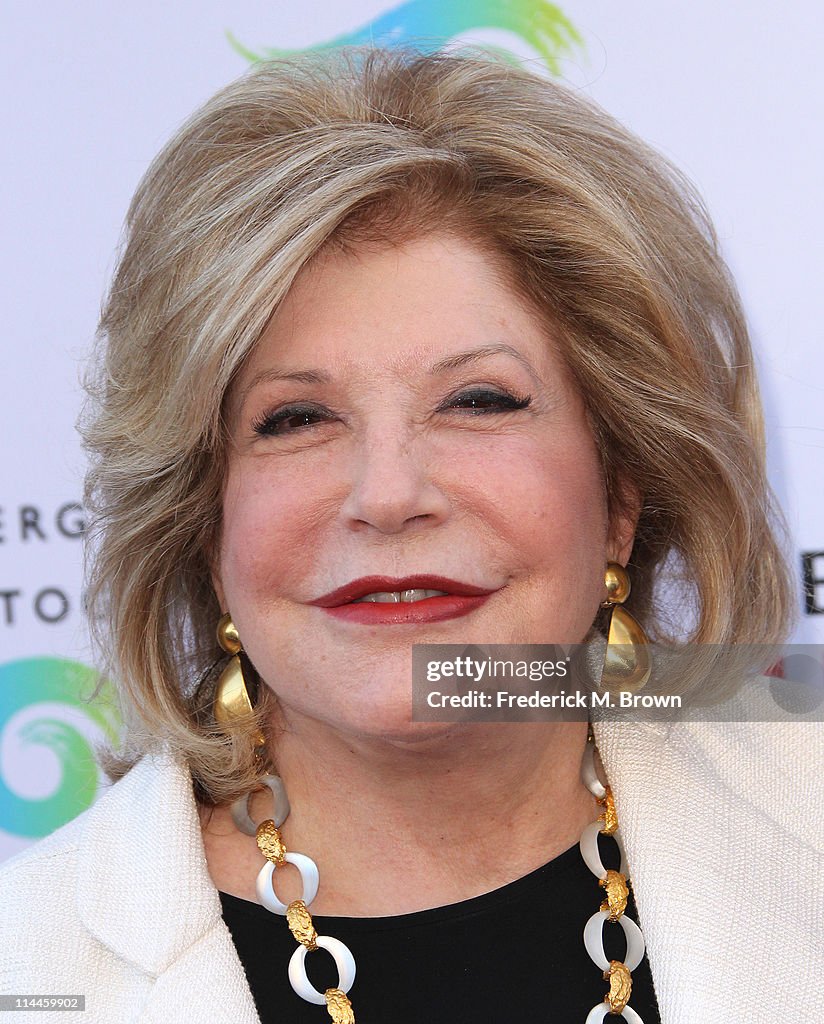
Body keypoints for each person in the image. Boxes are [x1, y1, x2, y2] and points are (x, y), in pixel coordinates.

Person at [0, 45, 820, 1024]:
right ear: (202, 522)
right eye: (294, 419)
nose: (386, 494)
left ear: (619, 494)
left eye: (476, 400)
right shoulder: (30, 966)